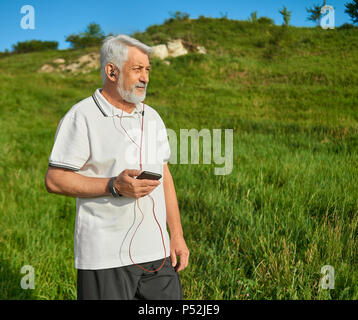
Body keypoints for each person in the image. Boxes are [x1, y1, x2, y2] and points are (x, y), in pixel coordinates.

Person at [45, 34, 189, 300]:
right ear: (111, 71)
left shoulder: (152, 116)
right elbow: (54, 179)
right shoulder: (82, 115)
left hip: (156, 254)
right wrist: (113, 185)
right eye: (137, 69)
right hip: (105, 257)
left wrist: (177, 235)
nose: (145, 77)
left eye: (147, 70)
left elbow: (165, 176)